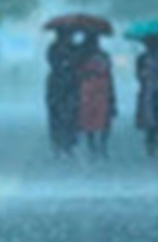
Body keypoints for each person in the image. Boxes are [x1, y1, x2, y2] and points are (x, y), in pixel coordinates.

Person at [76, 33, 116, 159]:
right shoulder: (101, 56)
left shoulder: (82, 57)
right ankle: (100, 145)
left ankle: (94, 145)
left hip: (90, 89)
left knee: (92, 118)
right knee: (101, 118)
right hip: (99, 89)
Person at [45, 28, 82, 159]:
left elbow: (79, 62)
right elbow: (52, 62)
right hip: (57, 85)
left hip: (72, 84)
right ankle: (57, 144)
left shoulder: (75, 48)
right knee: (56, 116)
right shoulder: (53, 48)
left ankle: (69, 144)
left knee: (72, 115)